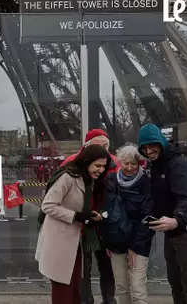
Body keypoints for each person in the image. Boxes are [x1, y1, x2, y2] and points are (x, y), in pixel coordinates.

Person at [137, 123, 187, 304]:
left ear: (161, 142)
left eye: (152, 145)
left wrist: (177, 219)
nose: (149, 150)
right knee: (176, 283)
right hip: (172, 230)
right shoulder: (156, 166)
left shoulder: (179, 164)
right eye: (144, 148)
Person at [36, 145, 112, 304]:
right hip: (60, 241)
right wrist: (78, 216)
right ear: (86, 162)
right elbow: (48, 205)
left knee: (75, 290)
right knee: (63, 291)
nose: (101, 169)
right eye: (97, 165)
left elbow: (78, 207)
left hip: (76, 242)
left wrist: (88, 215)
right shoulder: (67, 178)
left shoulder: (88, 179)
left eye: (104, 166)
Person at [62, 128, 117, 304]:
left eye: (105, 146)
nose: (102, 150)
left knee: (102, 266)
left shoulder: (114, 163)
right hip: (84, 221)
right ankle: (94, 300)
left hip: (100, 221)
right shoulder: (72, 163)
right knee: (87, 268)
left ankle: (101, 300)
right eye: (99, 146)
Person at [106, 144, 154, 304]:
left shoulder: (146, 183)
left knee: (137, 287)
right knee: (121, 287)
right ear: (120, 162)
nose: (129, 167)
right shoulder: (111, 181)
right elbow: (107, 213)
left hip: (139, 242)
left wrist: (135, 246)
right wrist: (108, 240)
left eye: (133, 163)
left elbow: (148, 217)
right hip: (116, 240)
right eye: (126, 163)